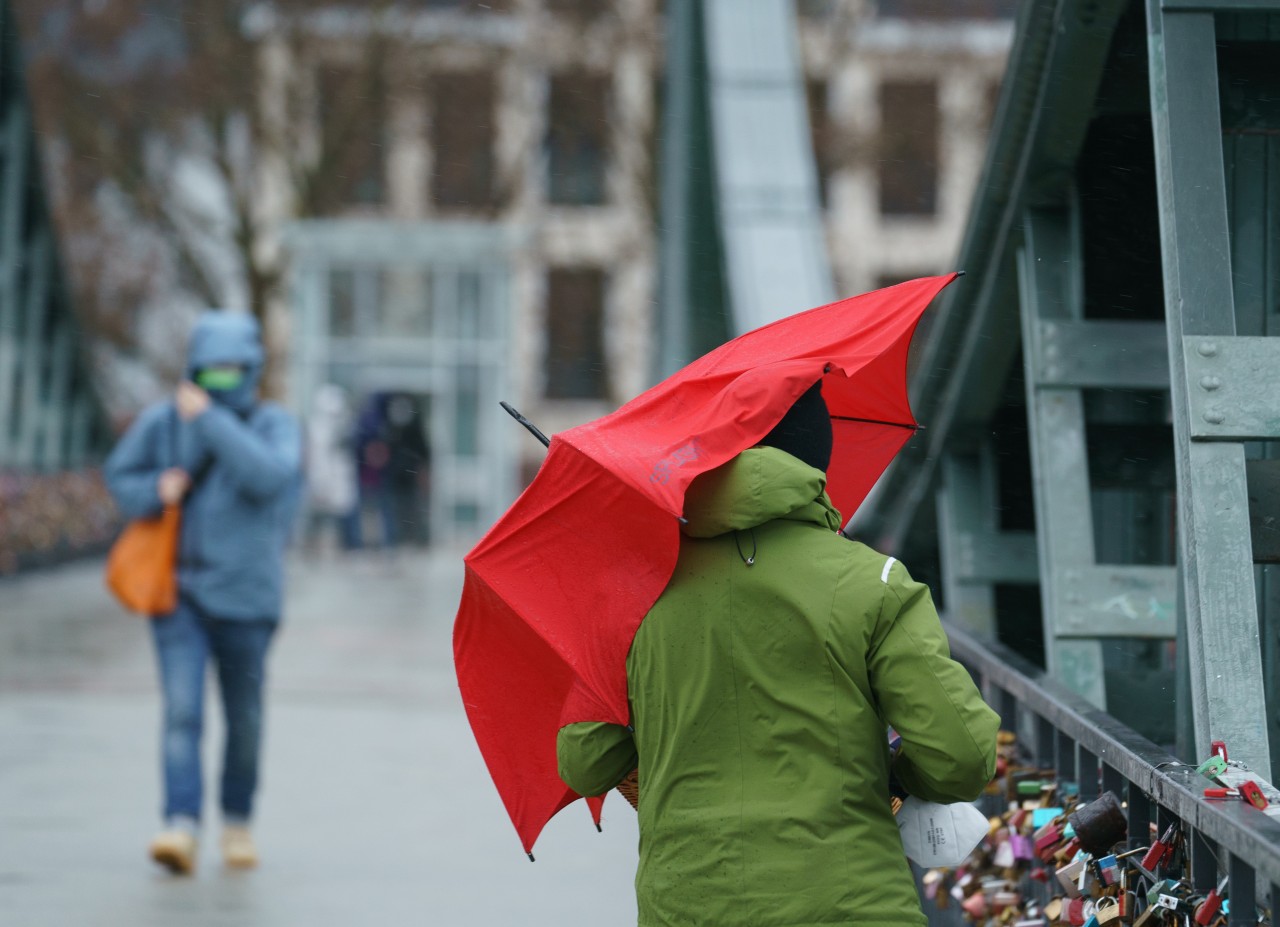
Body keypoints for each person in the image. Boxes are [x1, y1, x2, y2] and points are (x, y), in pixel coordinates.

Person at [556, 382, 1000, 926]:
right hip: (850, 906)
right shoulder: (875, 583)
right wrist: (896, 776)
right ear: (818, 459)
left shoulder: (632, 594)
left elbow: (583, 764)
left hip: (687, 906)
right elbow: (962, 760)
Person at [104, 312, 300, 875]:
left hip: (250, 600)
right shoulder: (162, 422)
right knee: (182, 713)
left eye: (233, 371)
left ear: (253, 369)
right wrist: (152, 489)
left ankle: (237, 821)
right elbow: (120, 478)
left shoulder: (275, 425)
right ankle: (180, 825)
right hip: (179, 593)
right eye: (210, 372)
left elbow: (269, 477)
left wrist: (210, 421)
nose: (222, 380)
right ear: (193, 369)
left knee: (245, 721)